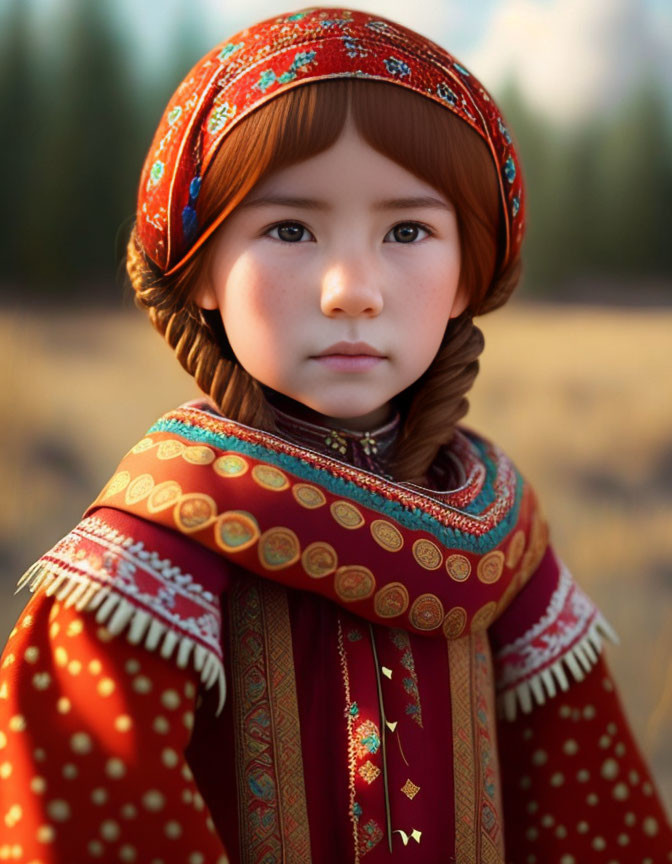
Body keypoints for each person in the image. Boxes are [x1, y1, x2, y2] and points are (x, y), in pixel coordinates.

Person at [0, 7, 669, 863]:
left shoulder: (500, 529)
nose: (351, 289)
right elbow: (90, 813)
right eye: (290, 230)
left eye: (406, 231)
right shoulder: (154, 550)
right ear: (201, 268)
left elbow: (593, 813)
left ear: (467, 272)